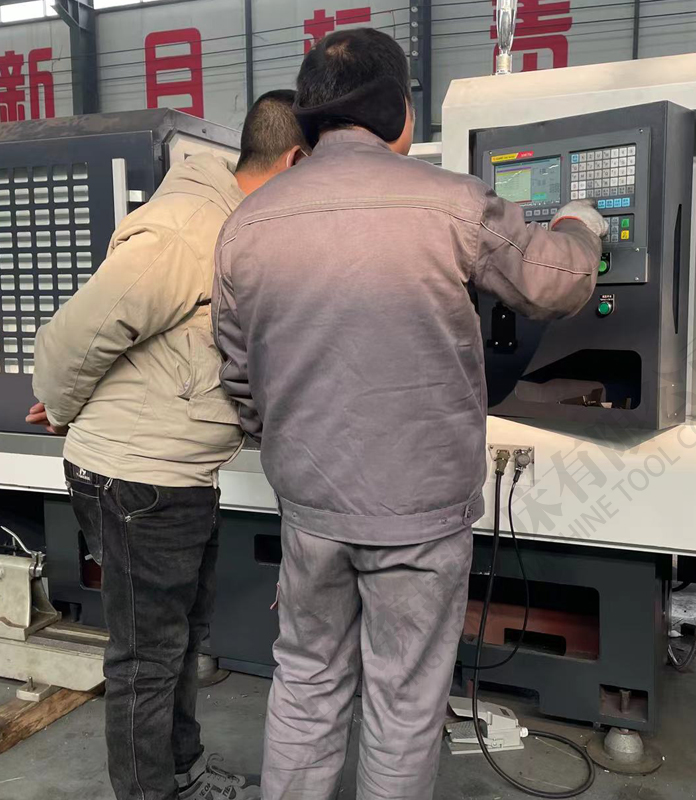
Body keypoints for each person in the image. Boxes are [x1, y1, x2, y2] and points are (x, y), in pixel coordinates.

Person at [214, 28, 607, 800]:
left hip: (311, 507)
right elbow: (554, 283)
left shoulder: (247, 225)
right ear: (399, 110)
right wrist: (580, 227)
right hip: (420, 514)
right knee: (403, 701)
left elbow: (239, 376)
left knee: (306, 682)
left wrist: (291, 445)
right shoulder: (452, 202)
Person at [27, 91, 308, 800]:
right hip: (138, 479)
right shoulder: (189, 229)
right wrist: (61, 408)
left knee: (180, 642)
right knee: (147, 660)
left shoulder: (232, 229)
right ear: (294, 161)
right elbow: (75, 336)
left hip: (176, 476)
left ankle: (182, 773)